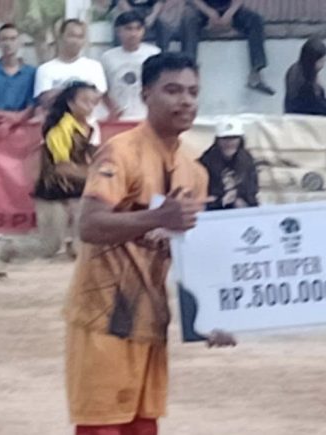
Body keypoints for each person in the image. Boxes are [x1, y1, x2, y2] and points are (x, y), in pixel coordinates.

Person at [64, 53, 236, 435]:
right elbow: (89, 225)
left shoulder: (195, 172)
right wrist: (157, 217)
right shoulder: (120, 151)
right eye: (172, 90)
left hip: (149, 320)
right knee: (102, 428)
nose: (185, 101)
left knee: (144, 428)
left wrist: (212, 319)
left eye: (193, 92)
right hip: (103, 315)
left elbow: (191, 257)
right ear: (145, 95)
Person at [0, 82, 102, 279]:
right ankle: (6, 247)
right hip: (52, 190)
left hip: (77, 188)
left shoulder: (90, 127)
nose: (90, 107)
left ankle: (77, 250)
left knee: (86, 231)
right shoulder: (60, 128)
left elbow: (94, 156)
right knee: (49, 246)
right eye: (85, 101)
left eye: (93, 102)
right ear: (70, 103)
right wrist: (97, 175)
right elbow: (62, 167)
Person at [180, 0, 275, 95]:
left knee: (255, 20)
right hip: (201, 8)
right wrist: (209, 12)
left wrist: (230, 13)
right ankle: (187, 73)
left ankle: (255, 75)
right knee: (188, 18)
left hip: (228, 8)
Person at [34, 19, 109, 113]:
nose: (76, 41)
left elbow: (98, 96)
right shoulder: (45, 69)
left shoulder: (94, 67)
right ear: (61, 37)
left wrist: (60, 92)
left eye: (80, 37)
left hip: (89, 120)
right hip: (58, 120)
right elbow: (46, 101)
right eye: (71, 36)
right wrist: (80, 91)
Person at [102, 11, 162, 120]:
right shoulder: (107, 57)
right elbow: (102, 89)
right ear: (118, 31)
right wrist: (112, 108)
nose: (133, 34)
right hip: (119, 118)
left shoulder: (154, 54)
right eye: (128, 29)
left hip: (147, 117)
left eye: (138, 28)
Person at [199, 118, 259, 210]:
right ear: (217, 140)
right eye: (225, 138)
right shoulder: (205, 163)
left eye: (234, 138)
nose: (229, 143)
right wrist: (221, 199)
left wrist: (237, 196)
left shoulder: (247, 161)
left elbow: (252, 190)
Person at [284, 37, 326, 116]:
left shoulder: (293, 70)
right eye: (321, 61)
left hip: (291, 116)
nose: (323, 64)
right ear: (312, 61)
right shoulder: (307, 86)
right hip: (307, 120)